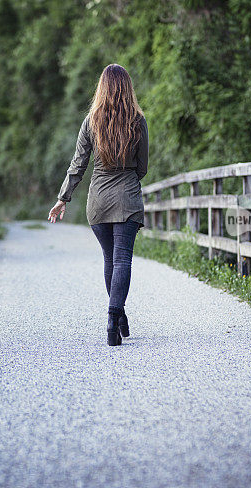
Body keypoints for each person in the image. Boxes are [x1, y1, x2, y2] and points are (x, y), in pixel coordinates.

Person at [48, 63, 148, 346]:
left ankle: (116, 319)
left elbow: (78, 165)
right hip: (127, 197)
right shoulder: (137, 121)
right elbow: (143, 167)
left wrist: (62, 198)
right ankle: (114, 316)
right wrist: (127, 178)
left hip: (99, 200)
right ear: (128, 87)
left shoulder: (91, 121)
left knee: (109, 260)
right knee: (122, 260)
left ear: (101, 88)